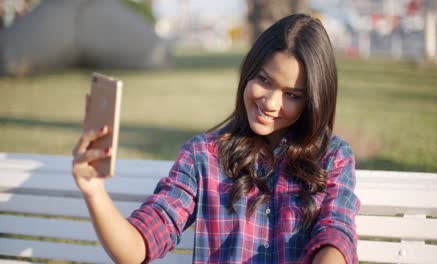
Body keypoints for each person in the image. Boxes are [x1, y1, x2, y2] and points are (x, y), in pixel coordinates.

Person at [72, 14, 360, 264]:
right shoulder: (204, 155)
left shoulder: (333, 156)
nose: (271, 103)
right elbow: (138, 246)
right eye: (264, 80)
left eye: (292, 95)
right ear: (248, 73)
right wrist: (94, 191)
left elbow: (337, 233)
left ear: (313, 101)